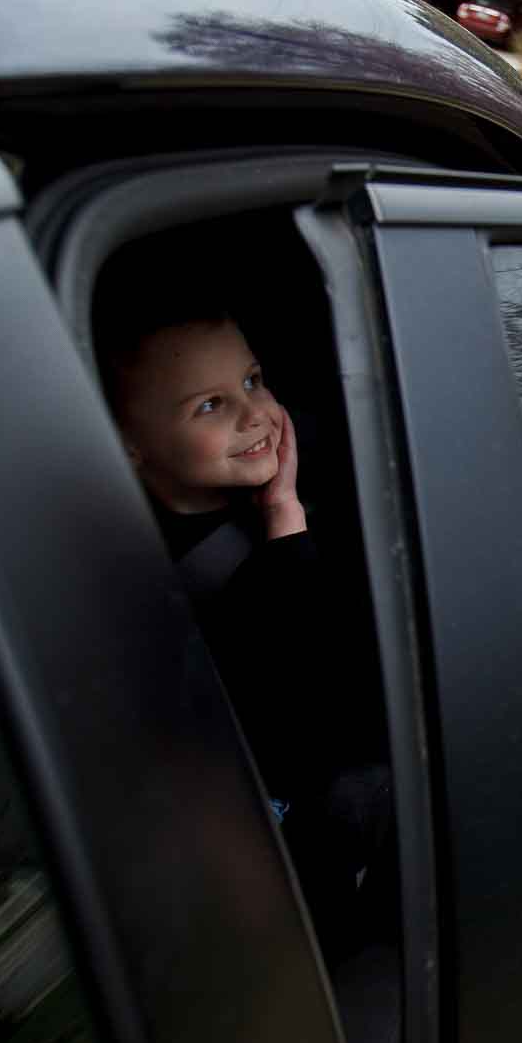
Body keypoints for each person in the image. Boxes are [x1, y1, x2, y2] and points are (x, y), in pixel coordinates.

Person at [96, 284, 391, 962]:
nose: (255, 413)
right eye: (210, 405)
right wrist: (285, 516)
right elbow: (325, 694)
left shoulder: (260, 504)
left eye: (253, 380)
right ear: (130, 445)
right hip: (314, 829)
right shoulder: (162, 584)